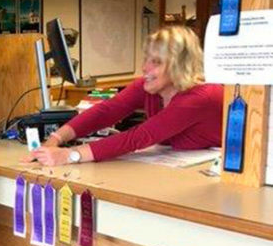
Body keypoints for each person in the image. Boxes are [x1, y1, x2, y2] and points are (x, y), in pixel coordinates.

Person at [27, 26, 223, 166]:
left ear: (179, 66)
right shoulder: (150, 87)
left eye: (156, 62)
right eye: (146, 59)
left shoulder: (198, 98)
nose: (145, 67)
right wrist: (54, 139)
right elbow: (106, 111)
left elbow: (138, 137)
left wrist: (69, 156)